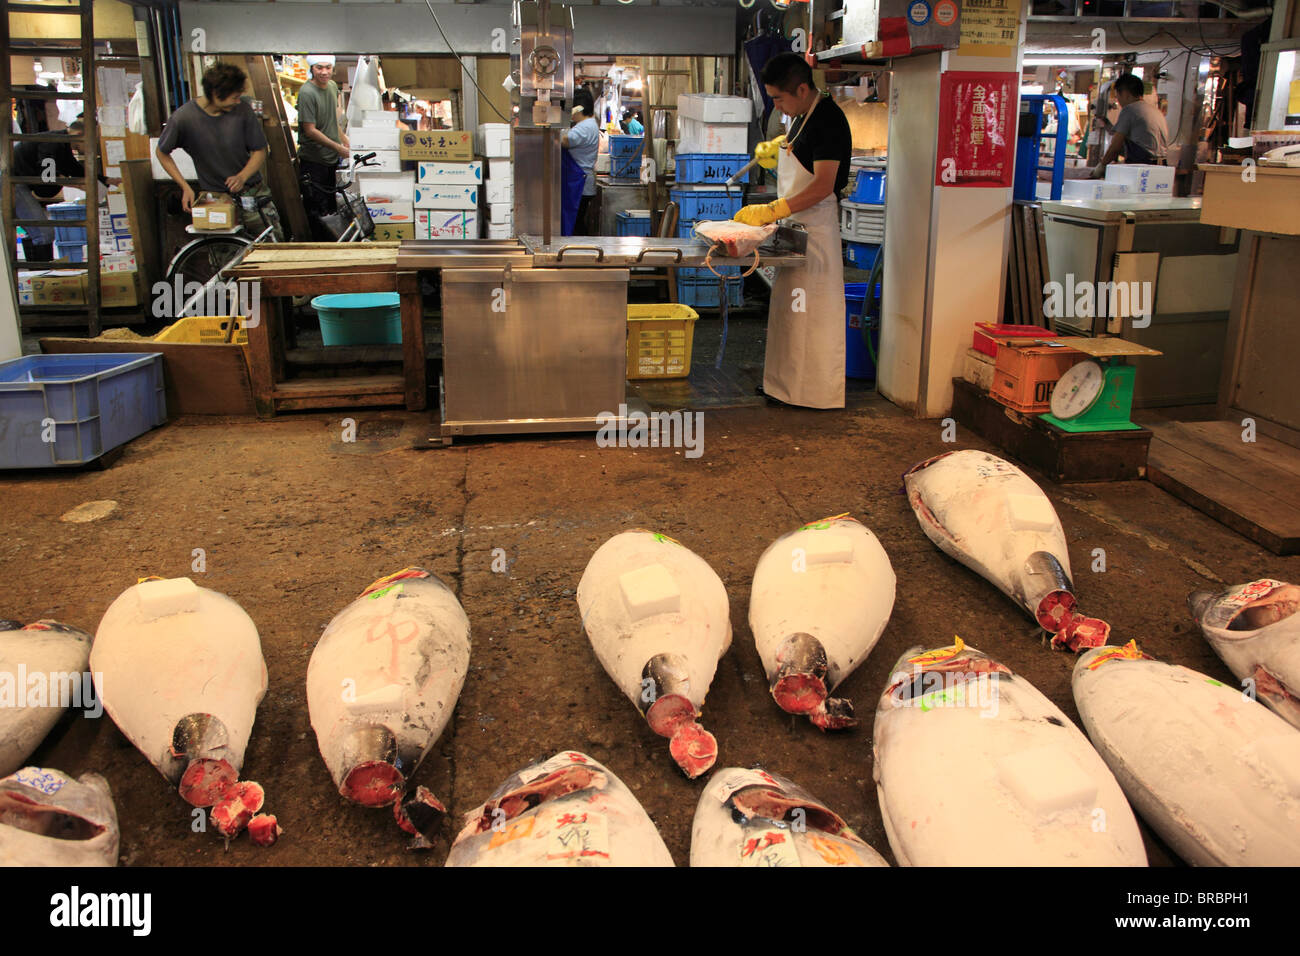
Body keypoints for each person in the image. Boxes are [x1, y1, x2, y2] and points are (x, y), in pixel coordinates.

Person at [734, 52, 852, 410]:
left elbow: (823, 186)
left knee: (812, 316)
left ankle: (814, 394)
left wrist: (773, 208)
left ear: (802, 88)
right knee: (790, 313)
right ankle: (783, 387)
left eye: (779, 98)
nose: (777, 105)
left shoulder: (827, 120)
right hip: (795, 228)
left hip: (815, 231)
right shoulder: (800, 117)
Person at [156, 62, 281, 239]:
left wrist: (242, 176)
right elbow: (162, 153)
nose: (238, 101)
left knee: (272, 251)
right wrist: (184, 186)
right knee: (226, 258)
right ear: (216, 93)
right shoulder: (183, 119)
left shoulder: (243, 110)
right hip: (217, 199)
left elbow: (260, 150)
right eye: (235, 96)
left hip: (253, 194)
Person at [12, 116, 116, 261]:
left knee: (36, 231)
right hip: (13, 183)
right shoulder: (53, 142)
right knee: (44, 233)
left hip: (20, 182)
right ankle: (42, 274)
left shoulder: (63, 144)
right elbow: (48, 176)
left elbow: (76, 170)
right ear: (79, 135)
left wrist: (108, 180)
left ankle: (37, 275)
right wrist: (76, 184)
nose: (91, 147)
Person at [297, 54, 349, 223]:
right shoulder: (307, 93)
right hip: (314, 161)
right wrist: (338, 147)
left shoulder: (333, 87)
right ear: (312, 68)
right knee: (318, 213)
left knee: (332, 209)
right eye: (319, 67)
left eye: (328, 68)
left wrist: (346, 140)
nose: (324, 72)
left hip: (330, 159)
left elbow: (333, 119)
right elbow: (310, 130)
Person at [1089, 74, 1168, 177]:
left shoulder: (1130, 110)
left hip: (1143, 169)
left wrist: (1101, 166)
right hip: (1162, 169)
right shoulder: (1155, 111)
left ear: (1126, 93)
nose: (1118, 101)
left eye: (1118, 97)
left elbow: (1115, 147)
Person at [561, 88, 600, 235]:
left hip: (580, 183)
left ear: (578, 108)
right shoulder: (589, 124)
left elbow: (564, 141)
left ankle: (581, 253)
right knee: (577, 222)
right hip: (579, 182)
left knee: (576, 224)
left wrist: (553, 127)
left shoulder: (586, 126)